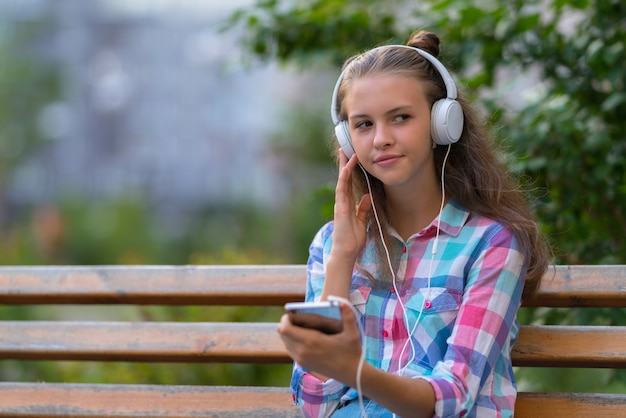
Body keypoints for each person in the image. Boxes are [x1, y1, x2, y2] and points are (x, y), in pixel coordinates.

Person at [277, 30, 550, 418]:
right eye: (364, 125)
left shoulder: (492, 244)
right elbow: (314, 406)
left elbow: (452, 397)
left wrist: (354, 372)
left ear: (443, 123)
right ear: (347, 139)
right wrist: (341, 259)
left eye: (400, 118)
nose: (381, 139)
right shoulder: (333, 244)